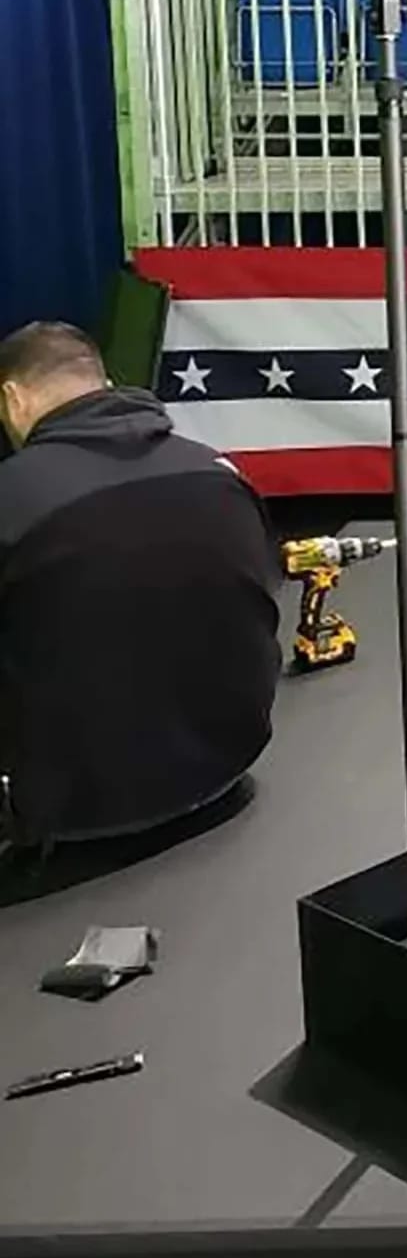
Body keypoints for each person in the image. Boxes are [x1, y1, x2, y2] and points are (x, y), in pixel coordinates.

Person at [0, 321, 281, 861]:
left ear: (13, 398)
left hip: (71, 818)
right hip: (225, 774)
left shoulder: (11, 501)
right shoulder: (217, 472)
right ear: (102, 382)